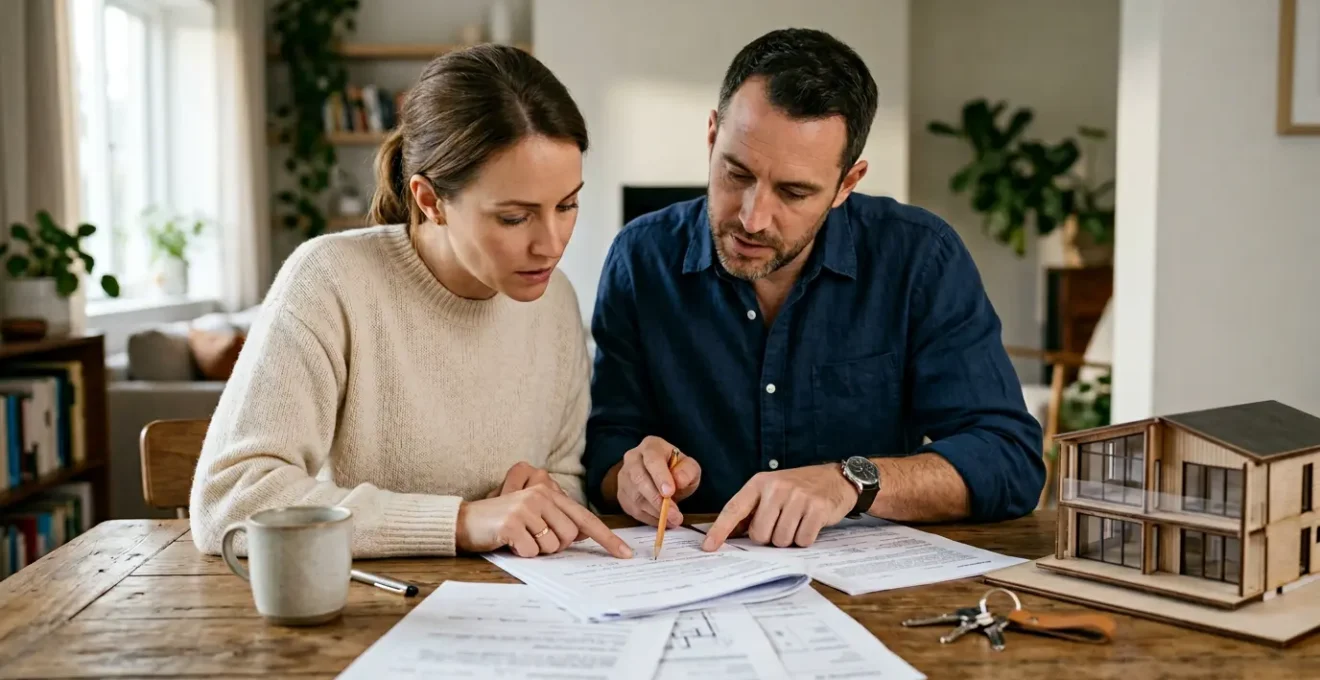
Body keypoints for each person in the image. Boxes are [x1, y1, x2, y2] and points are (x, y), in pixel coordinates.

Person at [584, 28, 1044, 552]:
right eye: (736, 173)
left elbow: (1009, 458)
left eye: (794, 192)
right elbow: (607, 447)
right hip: (690, 580)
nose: (752, 218)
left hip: (870, 597)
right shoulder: (641, 258)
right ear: (712, 138)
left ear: (847, 184)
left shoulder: (920, 258)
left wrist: (851, 482)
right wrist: (631, 474)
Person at [189, 44, 632, 561]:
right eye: (515, 217)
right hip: (363, 614)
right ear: (429, 200)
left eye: (568, 204)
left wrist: (548, 500)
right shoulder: (329, 279)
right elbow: (232, 497)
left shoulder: (555, 300)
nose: (552, 244)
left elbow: (566, 477)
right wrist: (461, 522)